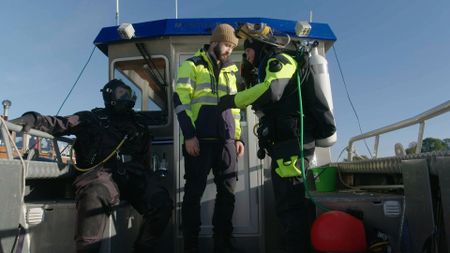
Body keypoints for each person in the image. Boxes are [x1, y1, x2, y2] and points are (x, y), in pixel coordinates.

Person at [10, 79, 173, 253]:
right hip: (101, 175)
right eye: (121, 92)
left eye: (129, 92)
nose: (127, 96)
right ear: (109, 95)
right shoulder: (92, 118)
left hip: (133, 176)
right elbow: (61, 123)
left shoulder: (138, 124)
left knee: (161, 202)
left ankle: (142, 248)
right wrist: (34, 119)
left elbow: (145, 157)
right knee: (94, 194)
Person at [218, 36, 337, 252]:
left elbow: (271, 90)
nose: (247, 56)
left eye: (248, 51)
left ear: (259, 48)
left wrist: (231, 101)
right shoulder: (270, 66)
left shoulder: (279, 61)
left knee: (291, 208)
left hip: (293, 144)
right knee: (288, 206)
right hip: (286, 145)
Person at [173, 23, 244, 253]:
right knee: (193, 194)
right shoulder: (191, 65)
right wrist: (189, 135)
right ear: (214, 42)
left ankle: (223, 244)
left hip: (226, 142)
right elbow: (180, 100)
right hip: (199, 142)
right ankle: (190, 246)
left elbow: (235, 108)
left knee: (228, 194)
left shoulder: (232, 71)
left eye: (233, 47)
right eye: (227, 45)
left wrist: (238, 138)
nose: (229, 51)